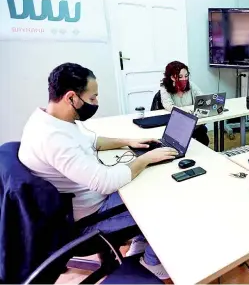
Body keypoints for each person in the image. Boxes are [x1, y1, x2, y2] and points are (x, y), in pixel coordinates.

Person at [19, 63, 178, 280]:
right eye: (92, 99)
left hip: (83, 203)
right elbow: (105, 182)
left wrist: (130, 141)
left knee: (144, 178)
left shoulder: (49, 120)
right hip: (89, 219)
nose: (96, 103)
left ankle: (139, 242)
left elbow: (92, 141)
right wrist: (147, 159)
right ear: (71, 97)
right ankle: (152, 262)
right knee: (166, 194)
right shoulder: (54, 139)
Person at [159, 61, 210, 146]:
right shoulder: (165, 87)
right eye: (180, 76)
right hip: (176, 125)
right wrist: (184, 111)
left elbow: (202, 97)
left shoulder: (190, 85)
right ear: (172, 77)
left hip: (193, 124)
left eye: (186, 76)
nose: (184, 79)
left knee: (203, 139)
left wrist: (209, 103)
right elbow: (168, 105)